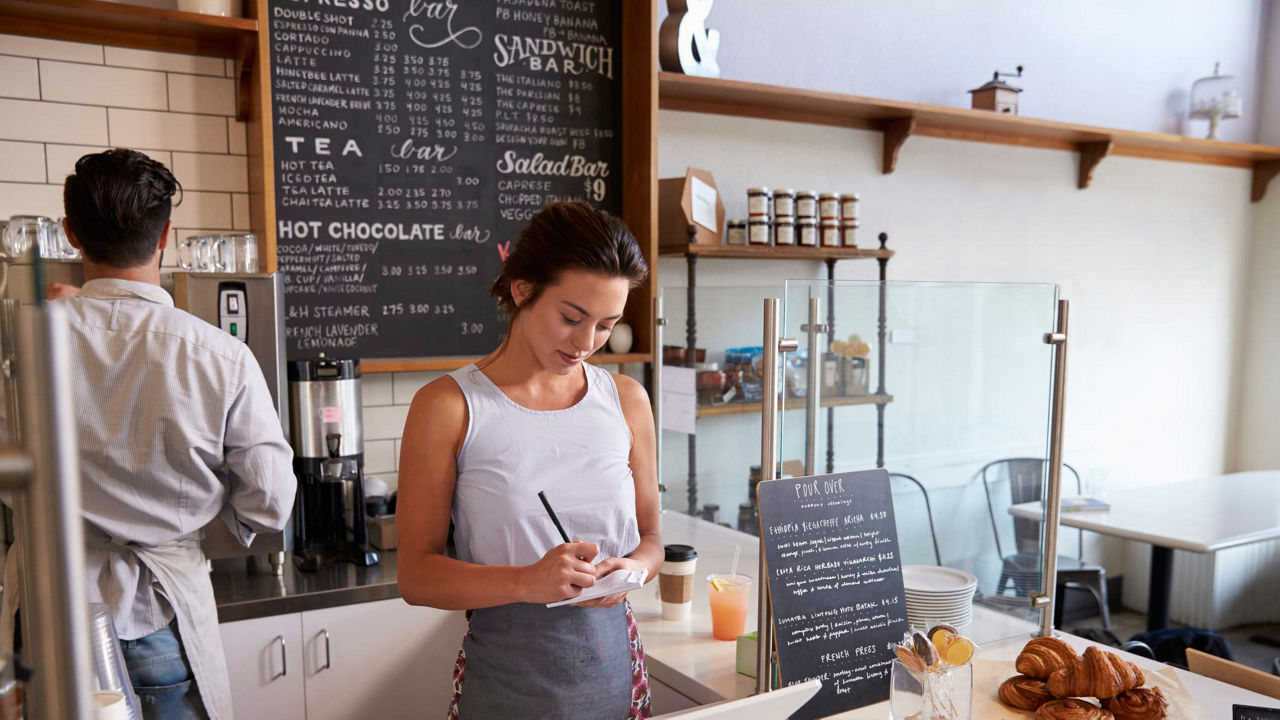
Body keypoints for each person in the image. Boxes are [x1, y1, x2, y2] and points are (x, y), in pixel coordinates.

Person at [51, 149, 295, 718]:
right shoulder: (221, 356)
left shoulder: (25, 343)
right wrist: (179, 540)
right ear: (165, 236)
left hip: (47, 616)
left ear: (70, 235)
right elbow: (271, 502)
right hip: (161, 616)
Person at [397, 201, 662, 719]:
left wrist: (632, 570)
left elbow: (652, 538)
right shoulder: (448, 406)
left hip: (615, 674)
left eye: (607, 325)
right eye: (572, 317)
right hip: (507, 685)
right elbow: (416, 576)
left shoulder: (627, 399)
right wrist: (526, 581)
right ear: (522, 289)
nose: (586, 343)